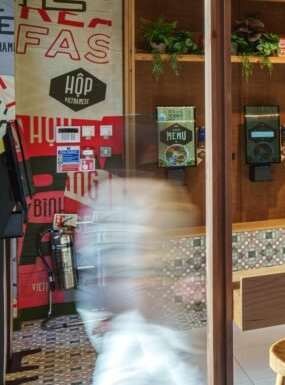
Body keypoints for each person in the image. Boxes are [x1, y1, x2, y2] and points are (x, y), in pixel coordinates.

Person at [75, 115, 205, 384]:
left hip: (112, 308)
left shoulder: (101, 193)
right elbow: (172, 253)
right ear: (151, 149)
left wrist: (103, 311)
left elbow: (88, 255)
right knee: (171, 371)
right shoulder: (162, 194)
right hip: (141, 309)